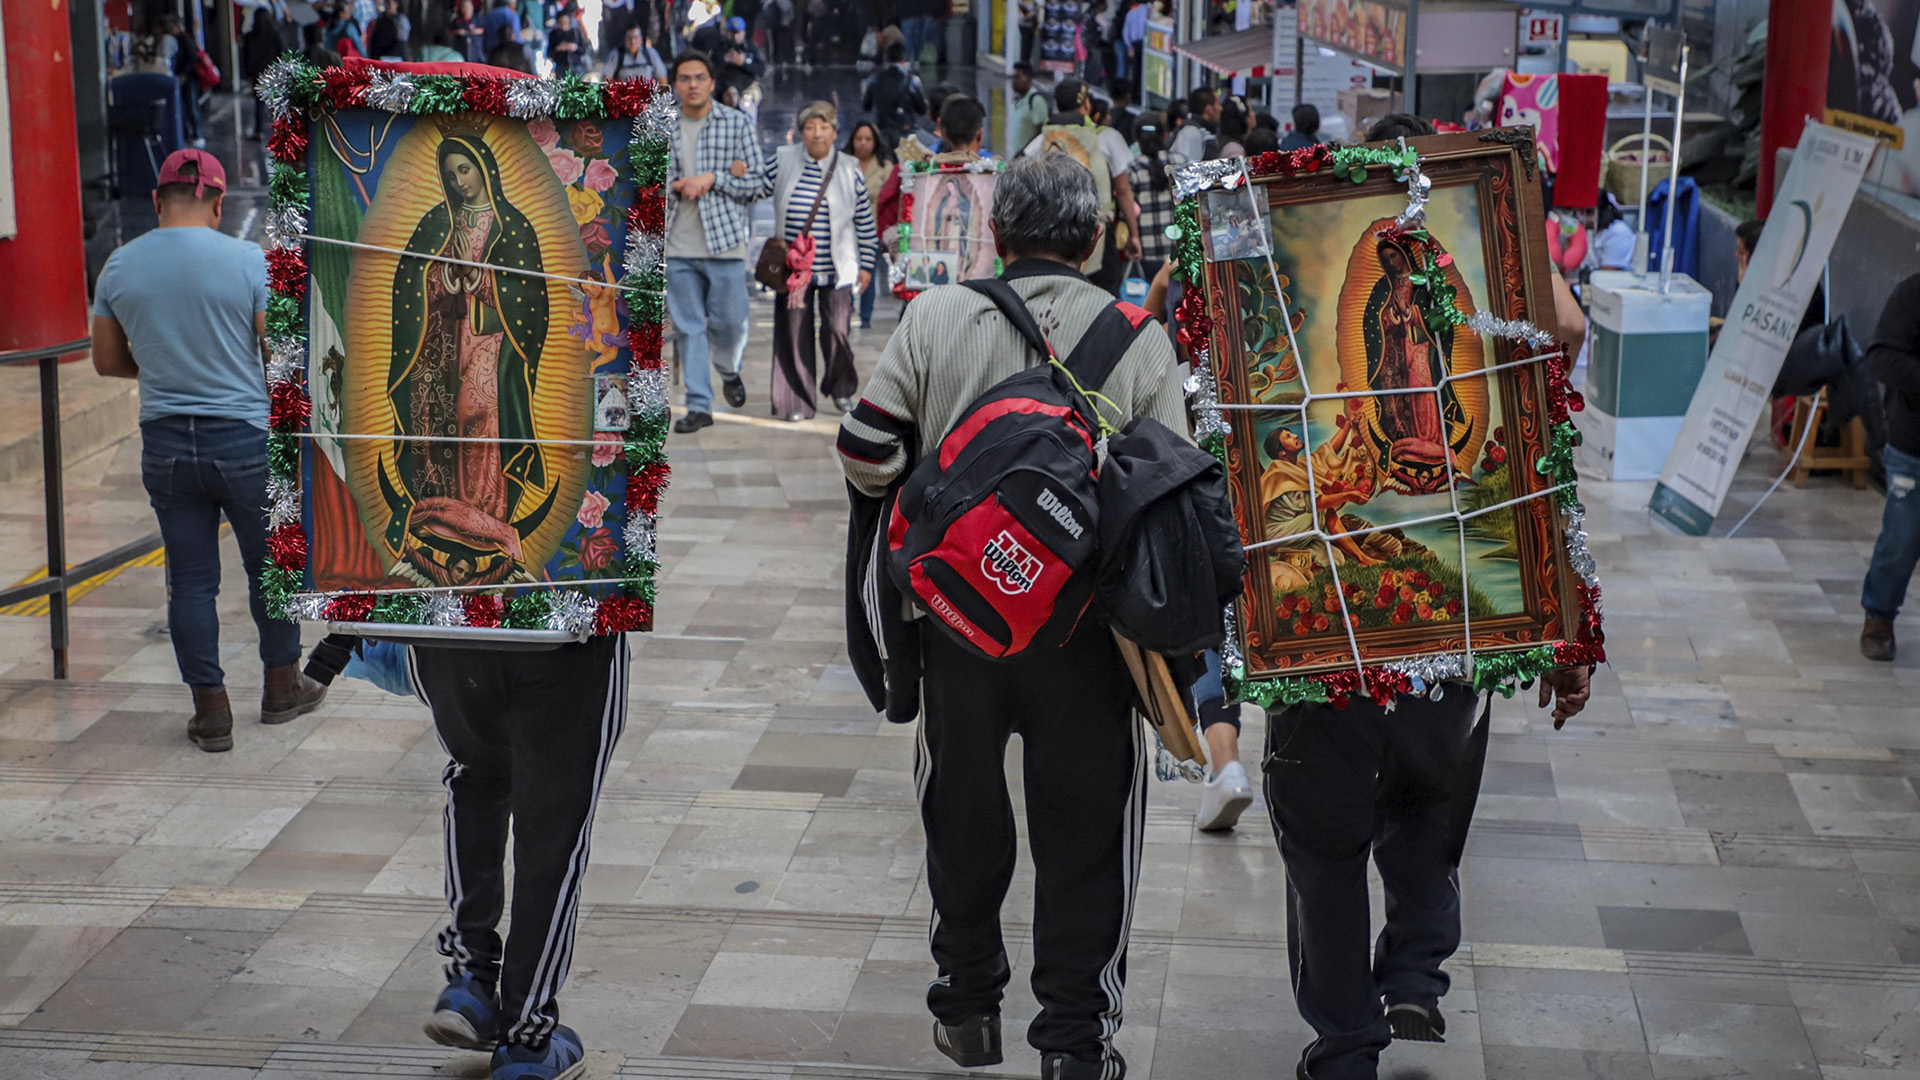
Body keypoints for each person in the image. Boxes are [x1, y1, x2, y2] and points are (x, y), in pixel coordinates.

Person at [836, 152, 1187, 1080]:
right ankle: (1074, 1041)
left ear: (997, 234)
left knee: (961, 808)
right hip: (1089, 641)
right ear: (1094, 238)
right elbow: (1178, 496)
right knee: (1088, 833)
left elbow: (866, 456)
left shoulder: (937, 315)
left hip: (957, 622)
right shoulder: (1137, 337)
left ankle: (969, 1003)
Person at [88, 150, 323, 752]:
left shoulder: (118, 267)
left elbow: (109, 362)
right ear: (220, 203)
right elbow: (279, 354)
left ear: (155, 201)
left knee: (190, 583)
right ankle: (280, 689)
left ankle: (212, 713)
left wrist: (172, 364)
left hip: (166, 444)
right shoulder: (251, 261)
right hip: (244, 439)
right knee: (268, 567)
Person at [1271, 667, 1592, 1080]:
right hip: (1441, 668)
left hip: (1317, 673)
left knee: (1324, 865)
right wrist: (1569, 647)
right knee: (1423, 813)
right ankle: (1413, 973)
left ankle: (1346, 1052)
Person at [409, 629, 632, 1080]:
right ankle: (526, 1040)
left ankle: (469, 981)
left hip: (446, 623)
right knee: (554, 826)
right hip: (563, 630)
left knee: (475, 773)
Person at [664, 51, 771, 434]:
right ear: (674, 84)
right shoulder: (663, 127)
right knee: (688, 327)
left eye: (699, 77)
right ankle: (698, 404)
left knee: (731, 323)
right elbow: (647, 181)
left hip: (724, 244)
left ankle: (728, 369)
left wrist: (714, 179)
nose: (692, 84)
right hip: (677, 245)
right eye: (685, 78)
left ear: (711, 83)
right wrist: (677, 185)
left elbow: (758, 183)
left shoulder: (736, 124)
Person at [768, 101, 879, 420]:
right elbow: (756, 188)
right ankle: (796, 401)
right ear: (801, 132)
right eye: (810, 127)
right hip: (794, 273)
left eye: (824, 127)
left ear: (834, 132)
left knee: (837, 331)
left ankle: (842, 388)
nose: (817, 134)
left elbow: (864, 221)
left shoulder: (848, 167)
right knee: (794, 332)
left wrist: (867, 264)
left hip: (836, 268)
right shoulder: (782, 159)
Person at [1023, 78, 1143, 295]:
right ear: (1087, 105)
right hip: (1098, 235)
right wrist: (1133, 235)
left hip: (1052, 236)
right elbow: (1124, 190)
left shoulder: (1042, 140)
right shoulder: (1107, 138)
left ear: (1058, 106)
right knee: (1102, 299)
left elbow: (1019, 174)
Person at [1862, 271, 1920, 660]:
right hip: (1913, 444)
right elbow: (1881, 357)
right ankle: (1879, 618)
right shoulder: (1913, 293)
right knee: (1902, 540)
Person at [847, 120, 897, 329]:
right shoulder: (843, 164)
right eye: (859, 139)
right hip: (846, 228)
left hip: (874, 227)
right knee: (847, 272)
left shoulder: (885, 167)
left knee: (869, 270)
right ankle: (845, 308)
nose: (863, 143)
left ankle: (865, 316)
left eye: (868, 139)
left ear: (875, 142)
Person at [1128, 111, 1180, 272]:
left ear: (1136, 139)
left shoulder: (1133, 169)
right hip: (1179, 252)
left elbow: (1128, 211)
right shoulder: (1181, 163)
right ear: (1165, 135)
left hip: (1146, 254)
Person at [863, 42, 927, 154]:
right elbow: (922, 110)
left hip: (882, 129)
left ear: (886, 58)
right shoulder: (913, 80)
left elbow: (866, 106)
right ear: (904, 59)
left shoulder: (874, 78)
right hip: (906, 132)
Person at [716, 16, 765, 101]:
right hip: (723, 90)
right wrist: (724, 62)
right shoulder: (720, 47)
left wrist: (743, 63)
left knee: (749, 100)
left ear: (744, 32)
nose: (735, 37)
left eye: (738, 33)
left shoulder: (751, 48)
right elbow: (711, 68)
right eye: (732, 33)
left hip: (746, 88)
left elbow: (761, 70)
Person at [1008, 61, 1050, 157]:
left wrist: (1024, 152)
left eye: (1018, 77)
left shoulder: (1036, 101)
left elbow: (1040, 133)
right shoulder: (1015, 100)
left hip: (1030, 158)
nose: (1014, 81)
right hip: (1018, 157)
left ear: (1029, 79)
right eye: (1013, 77)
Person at [602, 22, 668, 79]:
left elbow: (662, 76)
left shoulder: (651, 54)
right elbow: (607, 77)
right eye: (629, 38)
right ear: (625, 39)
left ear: (641, 39)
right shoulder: (617, 55)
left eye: (635, 37)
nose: (632, 41)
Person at [1170, 86, 1219, 161]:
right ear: (1210, 109)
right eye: (1218, 103)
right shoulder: (1191, 133)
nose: (1221, 108)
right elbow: (1188, 167)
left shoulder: (1206, 132)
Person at [545, 9, 587, 73]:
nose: (563, 25)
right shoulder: (554, 34)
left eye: (565, 22)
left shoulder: (575, 33)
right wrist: (559, 48)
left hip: (576, 66)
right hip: (561, 66)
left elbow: (583, 50)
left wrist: (575, 48)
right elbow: (549, 52)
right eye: (560, 22)